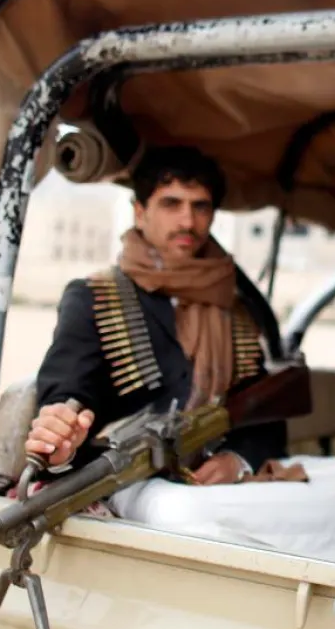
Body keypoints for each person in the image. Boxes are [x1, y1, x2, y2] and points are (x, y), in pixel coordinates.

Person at [24, 146, 286, 485]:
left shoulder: (233, 304)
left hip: (211, 481)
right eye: (171, 203)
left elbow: (264, 414)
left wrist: (237, 461)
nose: (187, 221)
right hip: (130, 478)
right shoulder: (94, 295)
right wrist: (62, 429)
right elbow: (69, 390)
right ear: (139, 212)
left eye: (200, 206)